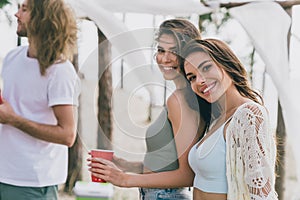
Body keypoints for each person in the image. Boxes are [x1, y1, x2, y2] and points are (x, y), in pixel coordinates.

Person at [88, 19, 208, 200]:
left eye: (173, 52)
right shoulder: (182, 96)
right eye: (160, 50)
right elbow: (165, 165)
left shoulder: (180, 100)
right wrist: (124, 164)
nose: (164, 58)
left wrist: (125, 179)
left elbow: (187, 175)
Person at [0, 0, 80, 199]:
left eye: (24, 9)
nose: (17, 14)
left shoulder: (60, 71)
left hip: (33, 183)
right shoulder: (12, 58)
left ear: (43, 18)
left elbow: (68, 135)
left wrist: (14, 120)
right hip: (4, 174)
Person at [180, 38, 278, 200]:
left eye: (206, 67)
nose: (200, 81)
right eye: (192, 77)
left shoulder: (249, 114)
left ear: (226, 63)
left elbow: (262, 193)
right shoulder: (217, 118)